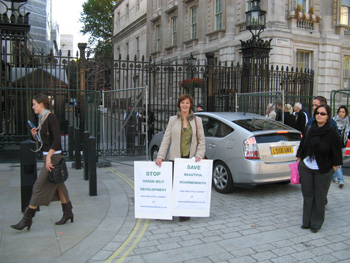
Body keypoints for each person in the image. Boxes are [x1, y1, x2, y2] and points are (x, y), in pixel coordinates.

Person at [11, 94, 73, 231]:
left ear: (42, 105)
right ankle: (68, 212)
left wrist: (49, 157)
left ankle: (27, 219)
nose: (33, 107)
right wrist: (36, 136)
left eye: (34, 104)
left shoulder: (51, 118)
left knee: (38, 187)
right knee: (59, 185)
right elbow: (45, 142)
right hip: (49, 156)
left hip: (54, 158)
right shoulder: (42, 118)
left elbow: (57, 140)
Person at [155, 94, 205, 222]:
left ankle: (184, 212)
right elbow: (166, 139)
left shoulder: (197, 120)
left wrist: (199, 154)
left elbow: (202, 140)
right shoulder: (173, 120)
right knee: (172, 185)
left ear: (191, 105)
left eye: (187, 103)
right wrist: (160, 156)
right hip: (175, 158)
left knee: (186, 187)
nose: (185, 105)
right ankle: (170, 211)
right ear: (179, 105)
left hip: (190, 158)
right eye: (182, 103)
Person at [296, 104, 342, 233]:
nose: (319, 116)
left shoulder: (331, 133)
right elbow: (303, 144)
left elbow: (337, 151)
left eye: (323, 114)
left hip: (324, 168)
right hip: (306, 166)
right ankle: (306, 222)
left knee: (320, 197)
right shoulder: (310, 128)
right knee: (308, 194)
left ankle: (316, 223)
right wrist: (299, 158)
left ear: (328, 117)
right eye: (317, 113)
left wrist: (334, 167)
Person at [332, 105, 350, 188]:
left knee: (339, 162)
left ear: (346, 113)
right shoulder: (334, 121)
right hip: (334, 145)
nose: (341, 113)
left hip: (343, 145)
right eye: (340, 112)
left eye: (343, 112)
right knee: (338, 163)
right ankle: (341, 180)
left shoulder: (348, 122)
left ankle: (333, 177)